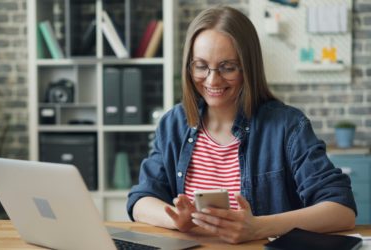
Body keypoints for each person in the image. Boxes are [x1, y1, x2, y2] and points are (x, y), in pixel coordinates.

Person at [127, 6, 356, 244]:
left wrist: (258, 227)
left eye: (228, 67)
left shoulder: (287, 126)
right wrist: (175, 220)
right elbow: (141, 199)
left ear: (248, 67)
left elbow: (341, 209)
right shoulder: (173, 124)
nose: (213, 79)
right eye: (201, 65)